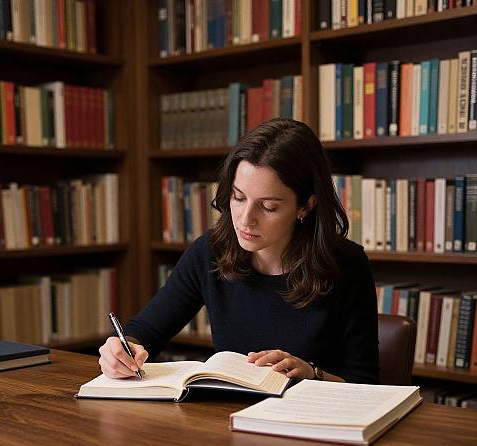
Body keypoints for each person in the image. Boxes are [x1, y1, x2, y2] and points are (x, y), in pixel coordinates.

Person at [99, 118, 379, 384]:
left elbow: (365, 384)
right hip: (229, 420)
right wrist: (122, 351)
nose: (246, 219)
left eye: (268, 207)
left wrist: (312, 374)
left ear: (306, 205)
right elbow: (146, 332)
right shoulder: (210, 252)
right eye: (238, 197)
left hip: (312, 424)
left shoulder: (346, 265)